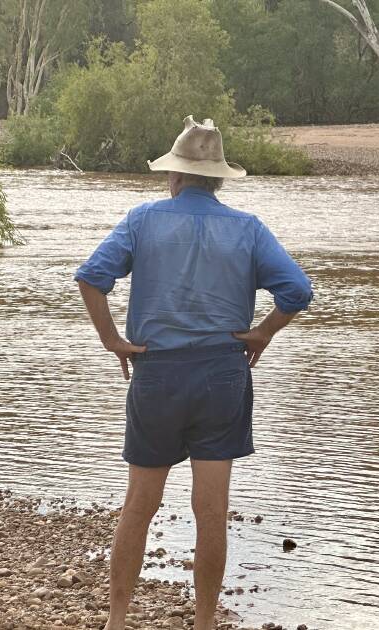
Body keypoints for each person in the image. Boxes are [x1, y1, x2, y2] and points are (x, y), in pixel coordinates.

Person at [74, 115, 313, 630]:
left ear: (175, 176)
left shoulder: (143, 219)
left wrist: (111, 341)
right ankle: (204, 622)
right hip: (221, 376)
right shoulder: (247, 228)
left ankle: (117, 621)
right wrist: (263, 333)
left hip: (157, 374)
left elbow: (92, 278)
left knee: (139, 505)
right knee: (210, 511)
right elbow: (298, 292)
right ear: (219, 179)